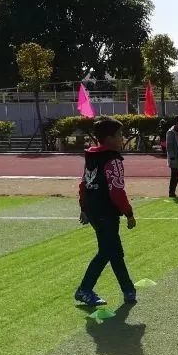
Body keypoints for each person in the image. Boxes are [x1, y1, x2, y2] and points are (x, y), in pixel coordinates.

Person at [75, 116, 137, 307]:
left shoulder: (92, 156)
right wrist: (128, 213)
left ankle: (128, 290)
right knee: (106, 252)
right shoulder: (112, 159)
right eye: (119, 135)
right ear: (109, 138)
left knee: (114, 251)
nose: (122, 138)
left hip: (94, 210)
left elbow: (84, 184)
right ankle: (84, 289)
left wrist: (84, 207)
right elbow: (117, 190)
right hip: (106, 212)